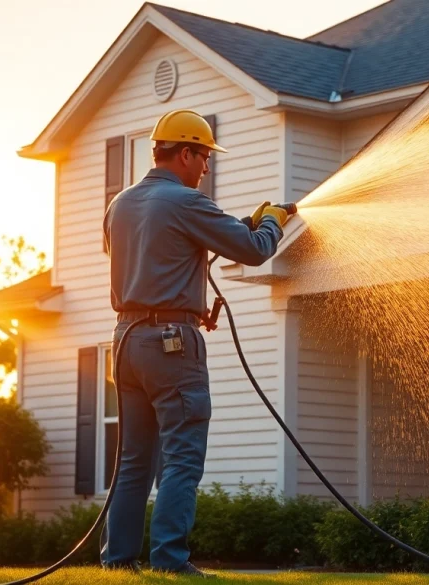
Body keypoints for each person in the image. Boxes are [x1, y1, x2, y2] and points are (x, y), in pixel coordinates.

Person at [101, 109, 293, 577]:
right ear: (184, 153)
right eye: (204, 156)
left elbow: (154, 251)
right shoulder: (186, 201)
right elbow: (253, 249)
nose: (206, 167)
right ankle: (170, 561)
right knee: (183, 455)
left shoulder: (121, 203)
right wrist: (271, 222)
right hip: (171, 345)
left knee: (133, 461)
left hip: (126, 342)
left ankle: (118, 561)